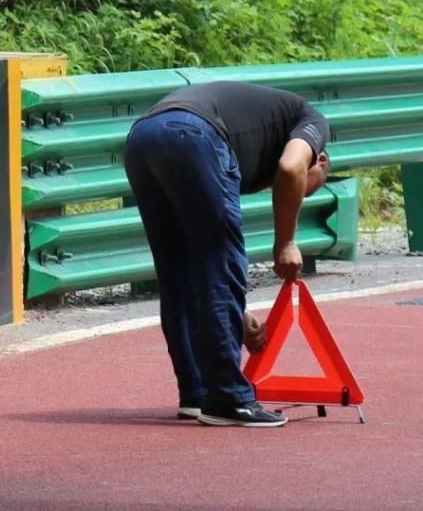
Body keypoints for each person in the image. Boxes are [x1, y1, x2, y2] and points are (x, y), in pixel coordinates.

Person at [124, 81, 330, 427]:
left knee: (179, 272)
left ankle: (197, 393)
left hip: (143, 137)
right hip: (192, 133)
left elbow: (200, 255)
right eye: (306, 192)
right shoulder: (312, 122)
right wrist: (285, 244)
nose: (294, 195)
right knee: (222, 262)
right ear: (319, 161)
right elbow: (292, 169)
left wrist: (239, 313)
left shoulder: (255, 143)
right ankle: (228, 397)